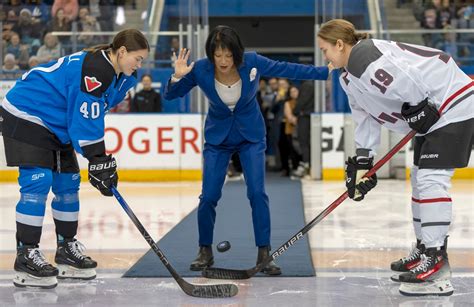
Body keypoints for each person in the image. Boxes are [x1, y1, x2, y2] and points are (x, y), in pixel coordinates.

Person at [317, 19, 473, 296]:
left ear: (340, 44)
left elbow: (405, 77)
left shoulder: (363, 56)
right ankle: (426, 248)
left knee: (430, 179)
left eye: (325, 49)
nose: (325, 57)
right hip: (436, 112)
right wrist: (365, 158)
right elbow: (364, 115)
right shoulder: (347, 75)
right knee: (420, 179)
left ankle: (436, 261)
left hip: (452, 104)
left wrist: (418, 103)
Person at [164, 25, 329, 275]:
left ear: (237, 53)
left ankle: (264, 253)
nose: (223, 61)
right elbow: (170, 95)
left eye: (228, 55)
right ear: (211, 54)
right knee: (208, 196)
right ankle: (204, 250)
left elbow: (288, 68)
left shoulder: (252, 61)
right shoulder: (200, 68)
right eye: (217, 55)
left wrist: (325, 71)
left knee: (257, 193)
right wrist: (177, 77)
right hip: (218, 139)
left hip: (250, 136)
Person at [0, 28, 149, 289]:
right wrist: (98, 158)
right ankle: (26, 255)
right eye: (137, 58)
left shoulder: (121, 75)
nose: (140, 65)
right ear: (122, 51)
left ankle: (66, 249)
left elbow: (92, 113)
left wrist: (97, 159)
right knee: (38, 182)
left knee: (68, 184)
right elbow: (86, 120)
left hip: (57, 123)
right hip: (26, 112)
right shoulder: (96, 70)